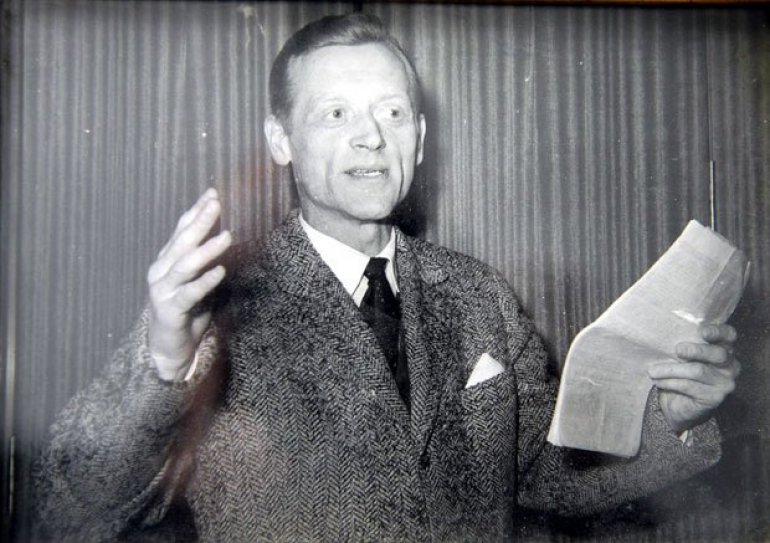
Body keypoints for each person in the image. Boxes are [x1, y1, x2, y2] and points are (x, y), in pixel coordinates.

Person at [34, 13, 740, 542]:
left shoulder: (481, 296)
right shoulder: (216, 302)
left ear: (419, 139)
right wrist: (163, 363)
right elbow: (72, 508)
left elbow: (545, 475)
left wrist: (669, 417)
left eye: (392, 112)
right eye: (336, 113)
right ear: (281, 139)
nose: (371, 136)